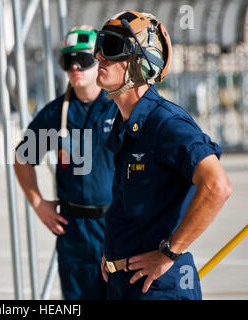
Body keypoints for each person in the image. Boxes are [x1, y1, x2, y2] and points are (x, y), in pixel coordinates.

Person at [94, 11, 232, 300]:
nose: (98, 56)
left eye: (111, 47)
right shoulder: (125, 126)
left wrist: (170, 251)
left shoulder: (167, 123)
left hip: (158, 288)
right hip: (123, 285)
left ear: (140, 62)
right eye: (99, 44)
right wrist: (112, 252)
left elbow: (217, 186)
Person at [14, 26, 118, 300]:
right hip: (76, 234)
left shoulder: (121, 108)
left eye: (83, 59)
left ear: (100, 60)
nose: (75, 66)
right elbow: (22, 158)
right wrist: (37, 202)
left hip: (119, 226)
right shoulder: (53, 115)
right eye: (68, 60)